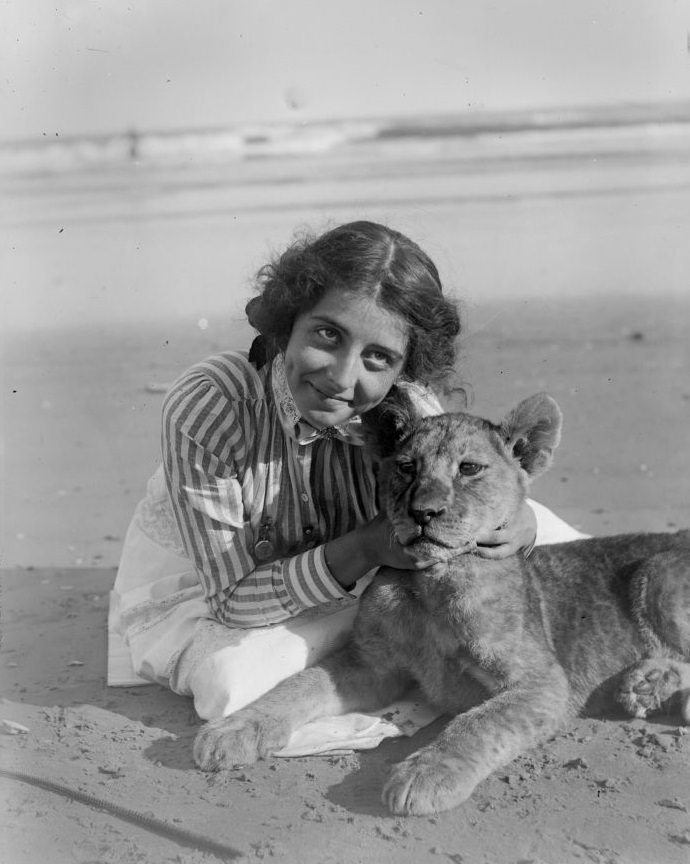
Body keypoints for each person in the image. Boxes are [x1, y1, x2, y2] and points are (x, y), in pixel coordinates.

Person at [109, 220, 585, 720]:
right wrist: (367, 548)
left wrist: (520, 527)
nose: (340, 377)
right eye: (327, 335)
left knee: (554, 539)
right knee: (233, 683)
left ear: (406, 369)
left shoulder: (409, 412)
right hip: (230, 588)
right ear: (285, 322)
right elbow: (230, 599)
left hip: (374, 564)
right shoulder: (213, 405)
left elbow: (467, 500)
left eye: (378, 357)